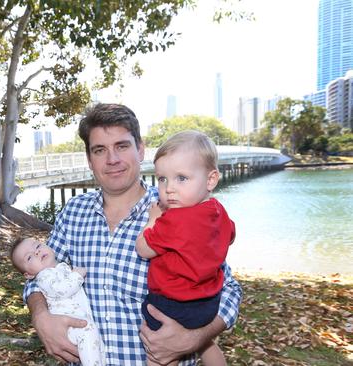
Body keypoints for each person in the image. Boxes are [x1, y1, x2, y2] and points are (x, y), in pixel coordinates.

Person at [22, 103, 242, 365]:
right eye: (100, 150)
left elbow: (228, 289)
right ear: (90, 160)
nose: (112, 159)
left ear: (140, 149)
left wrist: (196, 338)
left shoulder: (177, 211)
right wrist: (41, 317)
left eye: (122, 146)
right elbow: (38, 274)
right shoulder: (73, 213)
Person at [136, 130, 235, 366]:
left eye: (181, 178)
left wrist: (154, 219)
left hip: (171, 303)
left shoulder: (174, 220)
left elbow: (143, 249)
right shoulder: (218, 210)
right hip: (208, 302)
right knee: (206, 344)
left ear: (211, 179)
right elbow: (230, 235)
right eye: (162, 179)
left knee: (159, 354)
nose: (169, 188)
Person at [10, 237, 105, 366]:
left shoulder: (61, 267)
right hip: (70, 326)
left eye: (37, 246)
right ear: (29, 275)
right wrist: (77, 275)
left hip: (79, 320)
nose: (36, 252)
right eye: (29, 257)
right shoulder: (44, 276)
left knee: (96, 345)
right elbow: (62, 290)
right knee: (88, 331)